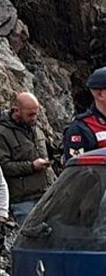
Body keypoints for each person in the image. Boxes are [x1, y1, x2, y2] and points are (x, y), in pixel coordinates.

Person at [0, 92, 55, 224]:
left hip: (48, 194)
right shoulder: (3, 133)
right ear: (17, 111)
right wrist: (31, 166)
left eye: (36, 113)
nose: (34, 117)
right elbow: (4, 167)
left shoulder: (36, 127)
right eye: (30, 114)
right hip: (24, 200)